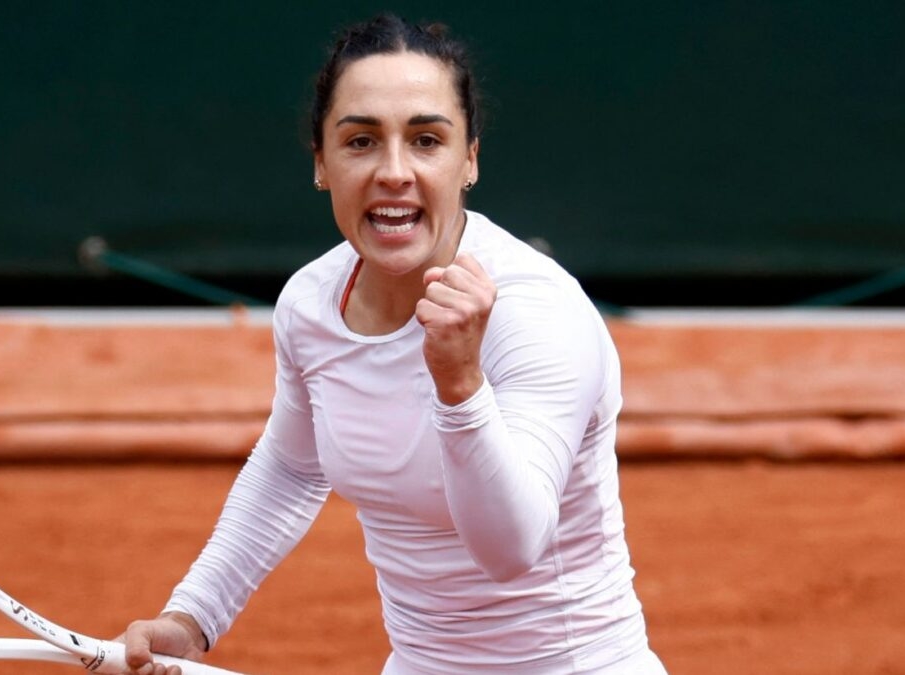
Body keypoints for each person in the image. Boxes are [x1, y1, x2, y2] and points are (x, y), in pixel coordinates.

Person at [121, 13, 666, 675]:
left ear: (470, 158)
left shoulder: (538, 314)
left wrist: (460, 383)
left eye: (427, 139)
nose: (394, 172)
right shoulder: (310, 303)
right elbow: (292, 467)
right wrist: (193, 615)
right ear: (321, 162)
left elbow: (511, 546)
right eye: (360, 142)